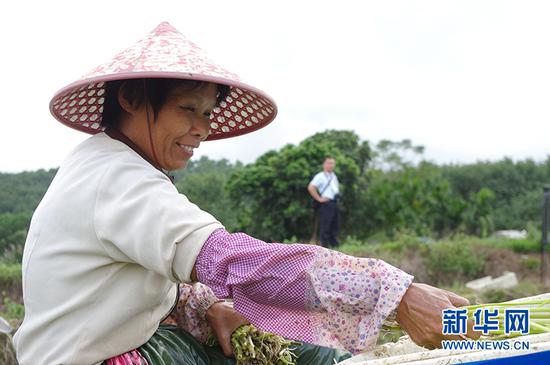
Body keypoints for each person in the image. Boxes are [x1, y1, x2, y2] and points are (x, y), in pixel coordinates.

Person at [14, 23, 479, 365]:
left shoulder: (110, 165)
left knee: (307, 351)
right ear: (131, 101)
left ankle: (482, 332)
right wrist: (395, 294)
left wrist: (210, 305)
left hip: (128, 339)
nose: (202, 129)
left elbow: (134, 281)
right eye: (187, 109)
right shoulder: (117, 180)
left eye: (208, 113)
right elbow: (236, 264)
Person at [308, 157, 340, 247]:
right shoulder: (320, 176)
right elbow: (311, 187)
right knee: (326, 225)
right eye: (329, 163)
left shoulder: (333, 176)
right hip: (326, 203)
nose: (331, 165)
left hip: (335, 202)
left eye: (333, 163)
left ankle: (334, 246)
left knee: (335, 225)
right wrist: (319, 198)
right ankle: (324, 247)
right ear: (324, 164)